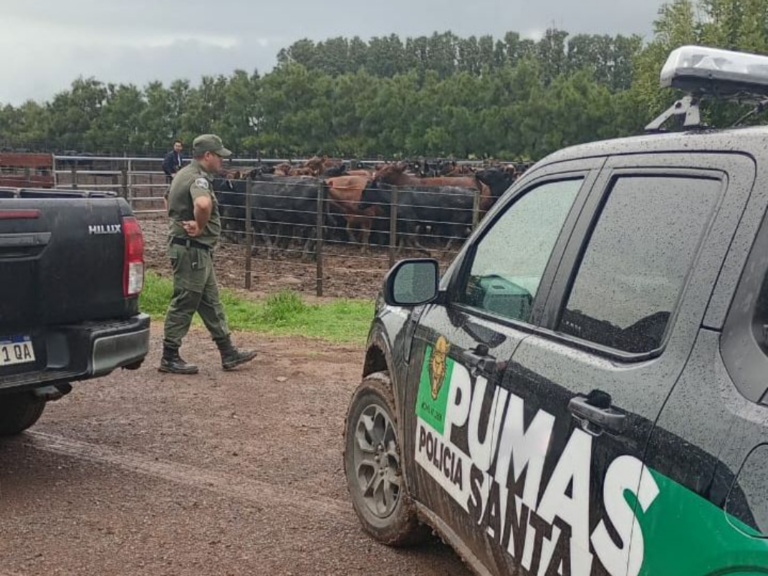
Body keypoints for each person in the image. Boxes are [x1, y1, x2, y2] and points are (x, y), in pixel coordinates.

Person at [160, 134, 257, 374]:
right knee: (185, 300)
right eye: (219, 156)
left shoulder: (183, 173)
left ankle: (228, 351)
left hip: (194, 250)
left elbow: (166, 198)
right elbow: (203, 204)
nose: (222, 161)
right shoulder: (198, 179)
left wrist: (177, 221)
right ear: (207, 155)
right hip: (191, 250)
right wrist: (200, 226)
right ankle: (169, 356)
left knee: (210, 301)